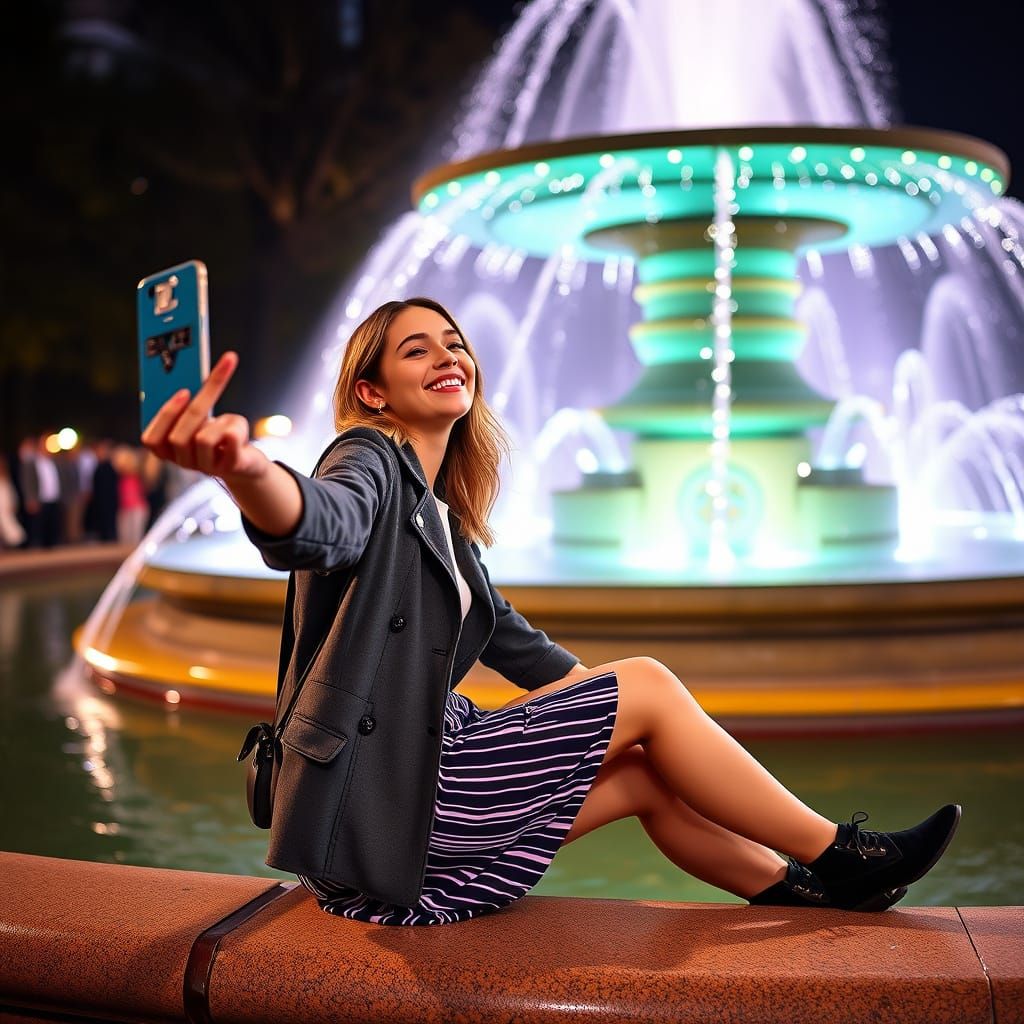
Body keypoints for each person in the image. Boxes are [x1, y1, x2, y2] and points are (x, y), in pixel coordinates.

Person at [141, 296, 960, 927]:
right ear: (372, 391)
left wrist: (624, 722)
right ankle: (844, 852)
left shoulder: (447, 525)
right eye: (415, 349)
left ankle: (809, 894)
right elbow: (318, 521)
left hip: (411, 803)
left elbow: (531, 655)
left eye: (455, 343)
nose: (447, 354)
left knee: (644, 771)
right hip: (385, 800)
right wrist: (246, 469)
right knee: (645, 681)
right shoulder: (371, 459)